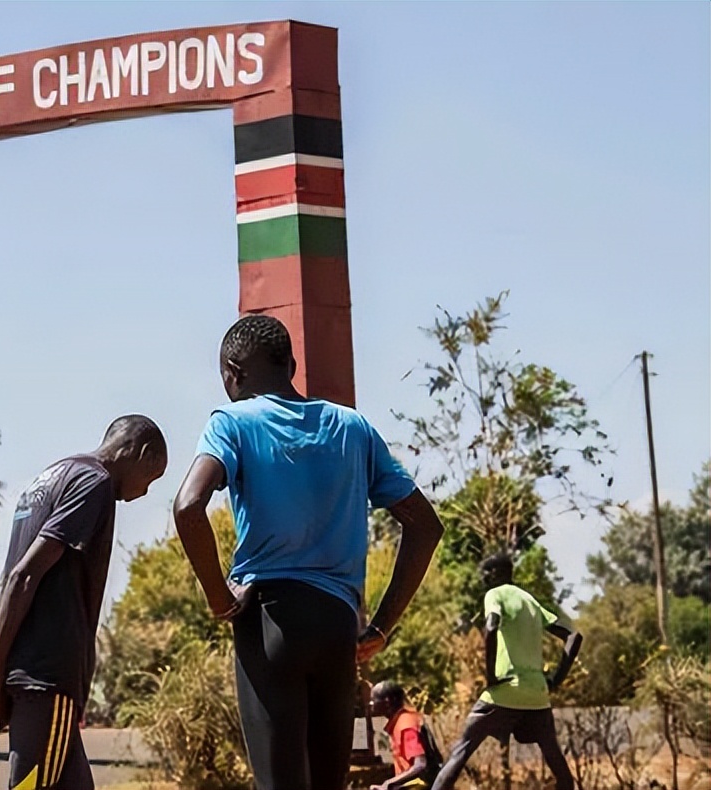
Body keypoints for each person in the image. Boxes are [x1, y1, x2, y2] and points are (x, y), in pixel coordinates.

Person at [171, 314, 446, 790]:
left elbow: (188, 506)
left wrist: (219, 598)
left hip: (269, 618)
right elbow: (426, 525)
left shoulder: (231, 422)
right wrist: (380, 626)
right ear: (292, 364)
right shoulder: (353, 428)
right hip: (339, 626)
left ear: (232, 374)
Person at [0, 416, 167, 790]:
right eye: (151, 478)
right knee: (29, 786)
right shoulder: (95, 483)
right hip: (46, 675)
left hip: (31, 673)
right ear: (140, 454)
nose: (143, 493)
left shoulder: (51, 478)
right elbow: (23, 576)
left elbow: (3, 587)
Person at [430, 553, 583, 790]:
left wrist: (491, 677)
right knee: (559, 768)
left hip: (504, 690)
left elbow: (491, 627)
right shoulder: (530, 600)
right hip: (537, 695)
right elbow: (573, 636)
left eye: (486, 573)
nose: (483, 579)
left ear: (498, 573)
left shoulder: (495, 594)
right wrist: (556, 679)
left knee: (460, 751)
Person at [368, 681, 442, 790]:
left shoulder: (405, 725)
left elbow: (420, 765)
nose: (371, 704)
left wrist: (388, 784)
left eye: (374, 700)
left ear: (387, 702)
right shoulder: (401, 721)